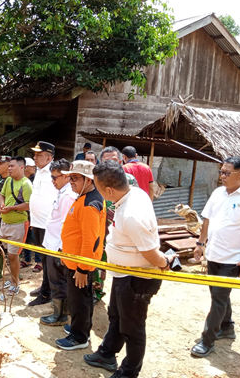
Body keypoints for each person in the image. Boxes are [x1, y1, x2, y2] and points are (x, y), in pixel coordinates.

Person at [84, 160, 176, 378]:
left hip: (137, 279)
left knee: (133, 327)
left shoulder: (132, 214)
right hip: (123, 273)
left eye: (97, 187)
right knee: (115, 315)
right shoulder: (133, 194)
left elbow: (150, 252)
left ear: (109, 189)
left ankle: (128, 372)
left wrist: (165, 265)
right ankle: (107, 353)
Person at [190, 156, 240, 358]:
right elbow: (207, 219)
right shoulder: (217, 193)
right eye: (221, 171)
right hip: (214, 254)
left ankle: (207, 341)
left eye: (226, 173)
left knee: (218, 301)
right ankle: (227, 327)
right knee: (218, 296)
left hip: (233, 259)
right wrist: (200, 244)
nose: (222, 176)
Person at [55, 160, 105, 350]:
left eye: (75, 178)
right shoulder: (84, 197)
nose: (71, 182)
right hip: (74, 260)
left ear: (88, 180)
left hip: (80, 264)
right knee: (80, 298)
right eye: (70, 177)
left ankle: (80, 336)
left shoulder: (90, 203)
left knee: (79, 300)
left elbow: (90, 240)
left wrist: (83, 268)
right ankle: (80, 327)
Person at [93, 147, 139, 301]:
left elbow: (135, 203)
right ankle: (97, 291)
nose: (110, 164)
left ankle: (121, 297)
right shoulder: (96, 181)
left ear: (120, 162)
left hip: (121, 230)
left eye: (113, 160)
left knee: (122, 266)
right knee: (99, 260)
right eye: (106, 161)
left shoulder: (130, 180)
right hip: (101, 228)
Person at [39, 158, 77, 326]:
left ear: (66, 176)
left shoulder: (68, 196)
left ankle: (59, 315)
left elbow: (66, 225)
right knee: (56, 280)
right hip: (53, 244)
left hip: (58, 247)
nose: (52, 181)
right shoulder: (62, 192)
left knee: (57, 281)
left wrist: (62, 248)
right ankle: (61, 311)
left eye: (55, 177)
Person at [28, 141, 59, 306]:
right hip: (38, 222)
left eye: (39, 155)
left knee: (49, 259)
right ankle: (44, 287)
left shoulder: (54, 173)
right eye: (35, 155)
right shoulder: (39, 172)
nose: (35, 157)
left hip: (48, 224)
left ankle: (47, 292)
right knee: (42, 258)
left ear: (49, 157)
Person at [0, 156, 33, 296]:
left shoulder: (26, 185)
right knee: (8, 254)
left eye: (12, 166)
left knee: (13, 255)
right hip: (5, 222)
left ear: (21, 167)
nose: (10, 168)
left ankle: (15, 283)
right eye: (9, 166)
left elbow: (29, 205)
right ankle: (12, 278)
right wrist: (2, 204)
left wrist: (11, 208)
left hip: (18, 224)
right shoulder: (8, 180)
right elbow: (1, 195)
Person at [21, 157, 41, 270]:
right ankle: (27, 259)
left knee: (36, 237)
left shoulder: (36, 179)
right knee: (26, 236)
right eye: (31, 166)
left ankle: (39, 261)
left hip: (35, 212)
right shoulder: (22, 180)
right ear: (25, 168)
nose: (34, 168)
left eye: (34, 166)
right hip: (24, 212)